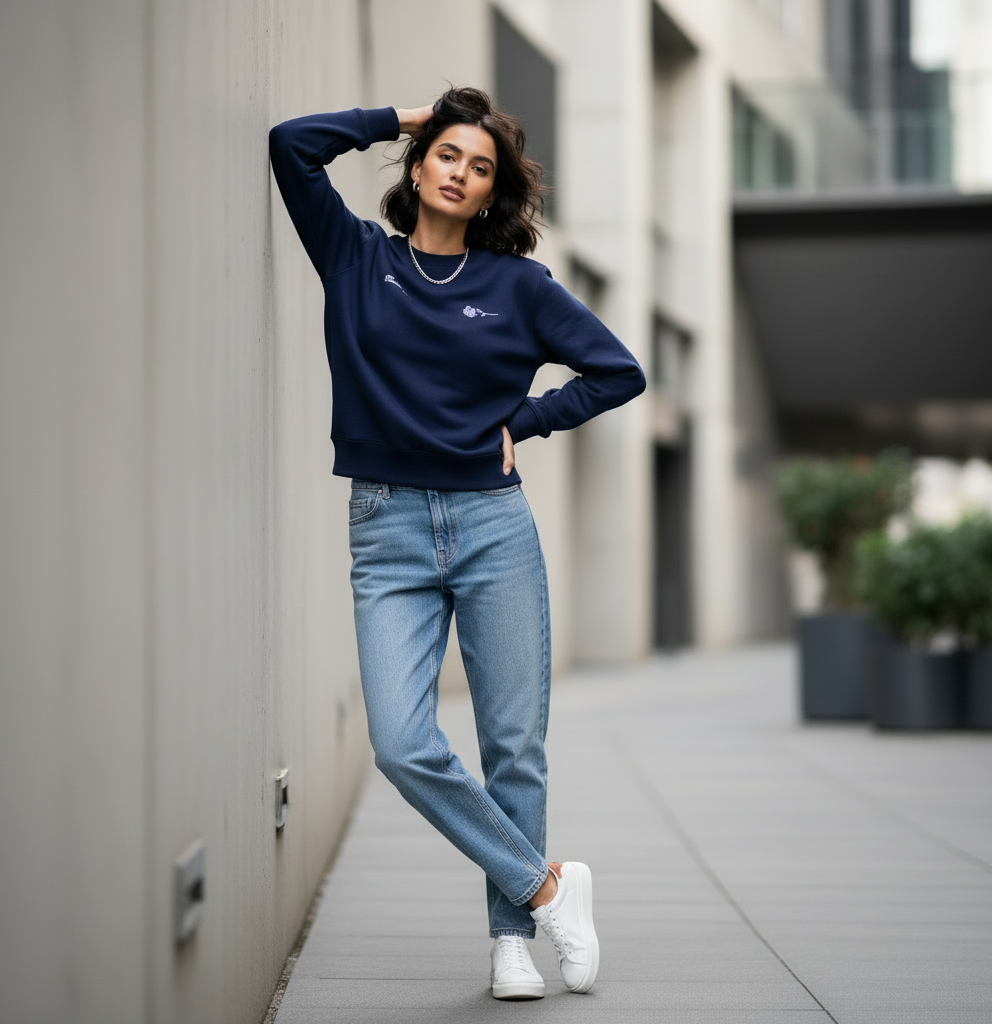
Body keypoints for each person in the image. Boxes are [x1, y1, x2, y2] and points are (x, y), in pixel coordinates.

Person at [269, 86, 645, 1001]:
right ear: (422, 166)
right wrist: (404, 117)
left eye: (481, 168)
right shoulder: (356, 255)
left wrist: (531, 417)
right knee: (401, 741)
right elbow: (290, 145)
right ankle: (548, 885)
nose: (461, 173)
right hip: (387, 524)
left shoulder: (518, 287)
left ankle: (511, 942)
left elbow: (617, 371)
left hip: (491, 524)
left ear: (491, 196)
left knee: (514, 744)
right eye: (448, 155)